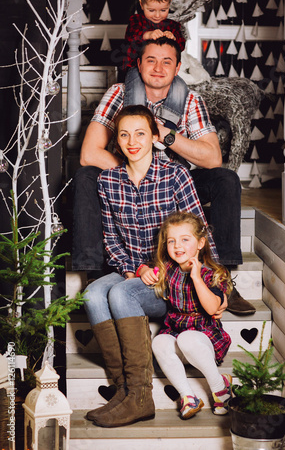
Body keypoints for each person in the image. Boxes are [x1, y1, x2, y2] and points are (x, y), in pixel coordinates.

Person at [73, 36, 255, 315]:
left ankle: (222, 279)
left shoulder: (190, 100)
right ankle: (93, 273)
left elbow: (212, 157)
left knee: (226, 179)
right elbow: (88, 153)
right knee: (86, 175)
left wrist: (167, 134)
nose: (158, 67)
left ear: (177, 67)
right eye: (151, 60)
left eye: (166, 62)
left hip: (175, 180)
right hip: (127, 181)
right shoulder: (118, 93)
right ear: (138, 64)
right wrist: (133, 168)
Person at [84, 105, 224, 428]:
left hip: (171, 281)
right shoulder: (108, 181)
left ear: (153, 137)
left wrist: (216, 283)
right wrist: (134, 269)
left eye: (140, 134)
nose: (132, 141)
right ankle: (124, 390)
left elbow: (199, 229)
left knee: (120, 295)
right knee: (92, 295)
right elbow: (111, 241)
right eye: (124, 135)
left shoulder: (175, 175)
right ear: (116, 141)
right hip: (133, 271)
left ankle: (141, 395)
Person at [152, 212, 232, 420]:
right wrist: (144, 271)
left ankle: (220, 388)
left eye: (185, 239)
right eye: (171, 241)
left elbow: (212, 307)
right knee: (159, 342)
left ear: (200, 243)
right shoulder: (168, 269)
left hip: (203, 339)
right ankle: (188, 396)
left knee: (188, 338)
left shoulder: (211, 273)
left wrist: (196, 277)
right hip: (177, 333)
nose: (177, 246)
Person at [121, 0, 185, 77]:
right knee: (137, 89)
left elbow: (181, 46)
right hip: (135, 69)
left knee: (179, 88)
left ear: (169, 4)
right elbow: (131, 38)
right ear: (142, 5)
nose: (157, 15)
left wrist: (174, 39)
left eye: (163, 10)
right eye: (151, 10)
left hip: (163, 70)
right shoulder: (136, 21)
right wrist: (147, 35)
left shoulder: (172, 26)